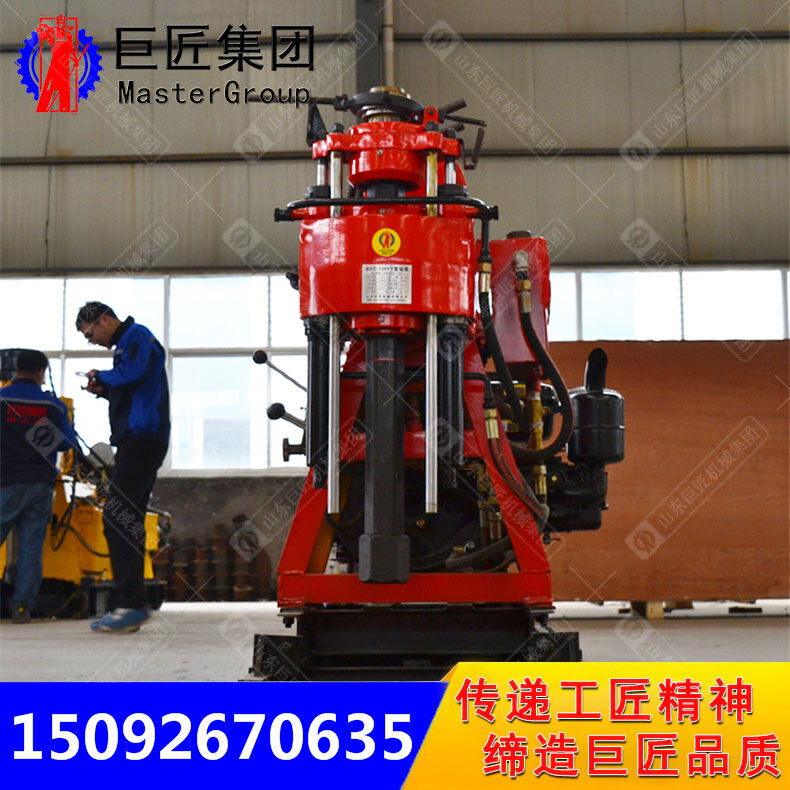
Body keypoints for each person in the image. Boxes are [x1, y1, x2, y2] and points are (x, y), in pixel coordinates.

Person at [75, 302, 169, 633]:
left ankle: (130, 603)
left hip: (142, 438)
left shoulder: (137, 336)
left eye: (91, 334)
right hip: (138, 438)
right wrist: (105, 390)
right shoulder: (127, 345)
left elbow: (134, 373)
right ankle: (132, 604)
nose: (93, 341)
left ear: (104, 319)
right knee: (128, 519)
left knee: (117, 516)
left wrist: (102, 376)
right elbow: (132, 387)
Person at [1, 349, 77, 623]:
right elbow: (67, 443)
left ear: (16, 370)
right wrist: (38, 432)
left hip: (5, 483)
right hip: (40, 485)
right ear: (41, 373)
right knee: (31, 549)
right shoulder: (53, 406)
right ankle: (22, 608)